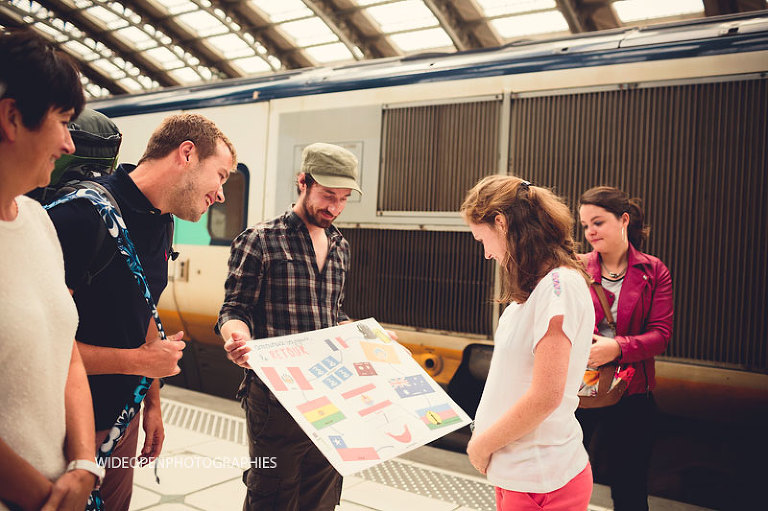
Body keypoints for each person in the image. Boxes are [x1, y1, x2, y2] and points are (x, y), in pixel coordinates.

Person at [47, 113, 237, 511]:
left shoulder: (163, 221)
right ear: (186, 154)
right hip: (65, 426)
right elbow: (39, 350)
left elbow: (144, 307)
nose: (221, 194)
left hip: (123, 419)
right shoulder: (82, 216)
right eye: (220, 175)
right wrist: (139, 361)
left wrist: (151, 404)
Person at [218, 142, 361, 511]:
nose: (335, 207)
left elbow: (331, 314)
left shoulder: (341, 247)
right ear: (302, 182)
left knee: (323, 495)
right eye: (328, 195)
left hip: (330, 396)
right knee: (273, 497)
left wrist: (362, 338)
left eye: (344, 198)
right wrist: (238, 336)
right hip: (276, 402)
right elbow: (234, 309)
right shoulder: (260, 240)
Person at [0, 29, 101, 511]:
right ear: (12, 117)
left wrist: (84, 465)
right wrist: (48, 500)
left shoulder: (38, 221)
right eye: (63, 121)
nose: (69, 144)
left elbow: (66, 353)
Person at [462, 175, 595, 511]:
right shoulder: (538, 289)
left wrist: (480, 446)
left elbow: (546, 396)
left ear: (502, 223)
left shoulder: (557, 287)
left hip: (540, 479)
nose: (487, 255)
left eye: (482, 240)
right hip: (521, 473)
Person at [576, 186, 673, 511]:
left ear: (624, 220)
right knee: (566, 478)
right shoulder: (576, 268)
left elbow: (660, 335)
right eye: (586, 224)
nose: (590, 232)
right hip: (580, 391)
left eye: (598, 222)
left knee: (629, 487)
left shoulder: (654, 270)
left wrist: (616, 348)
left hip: (633, 394)